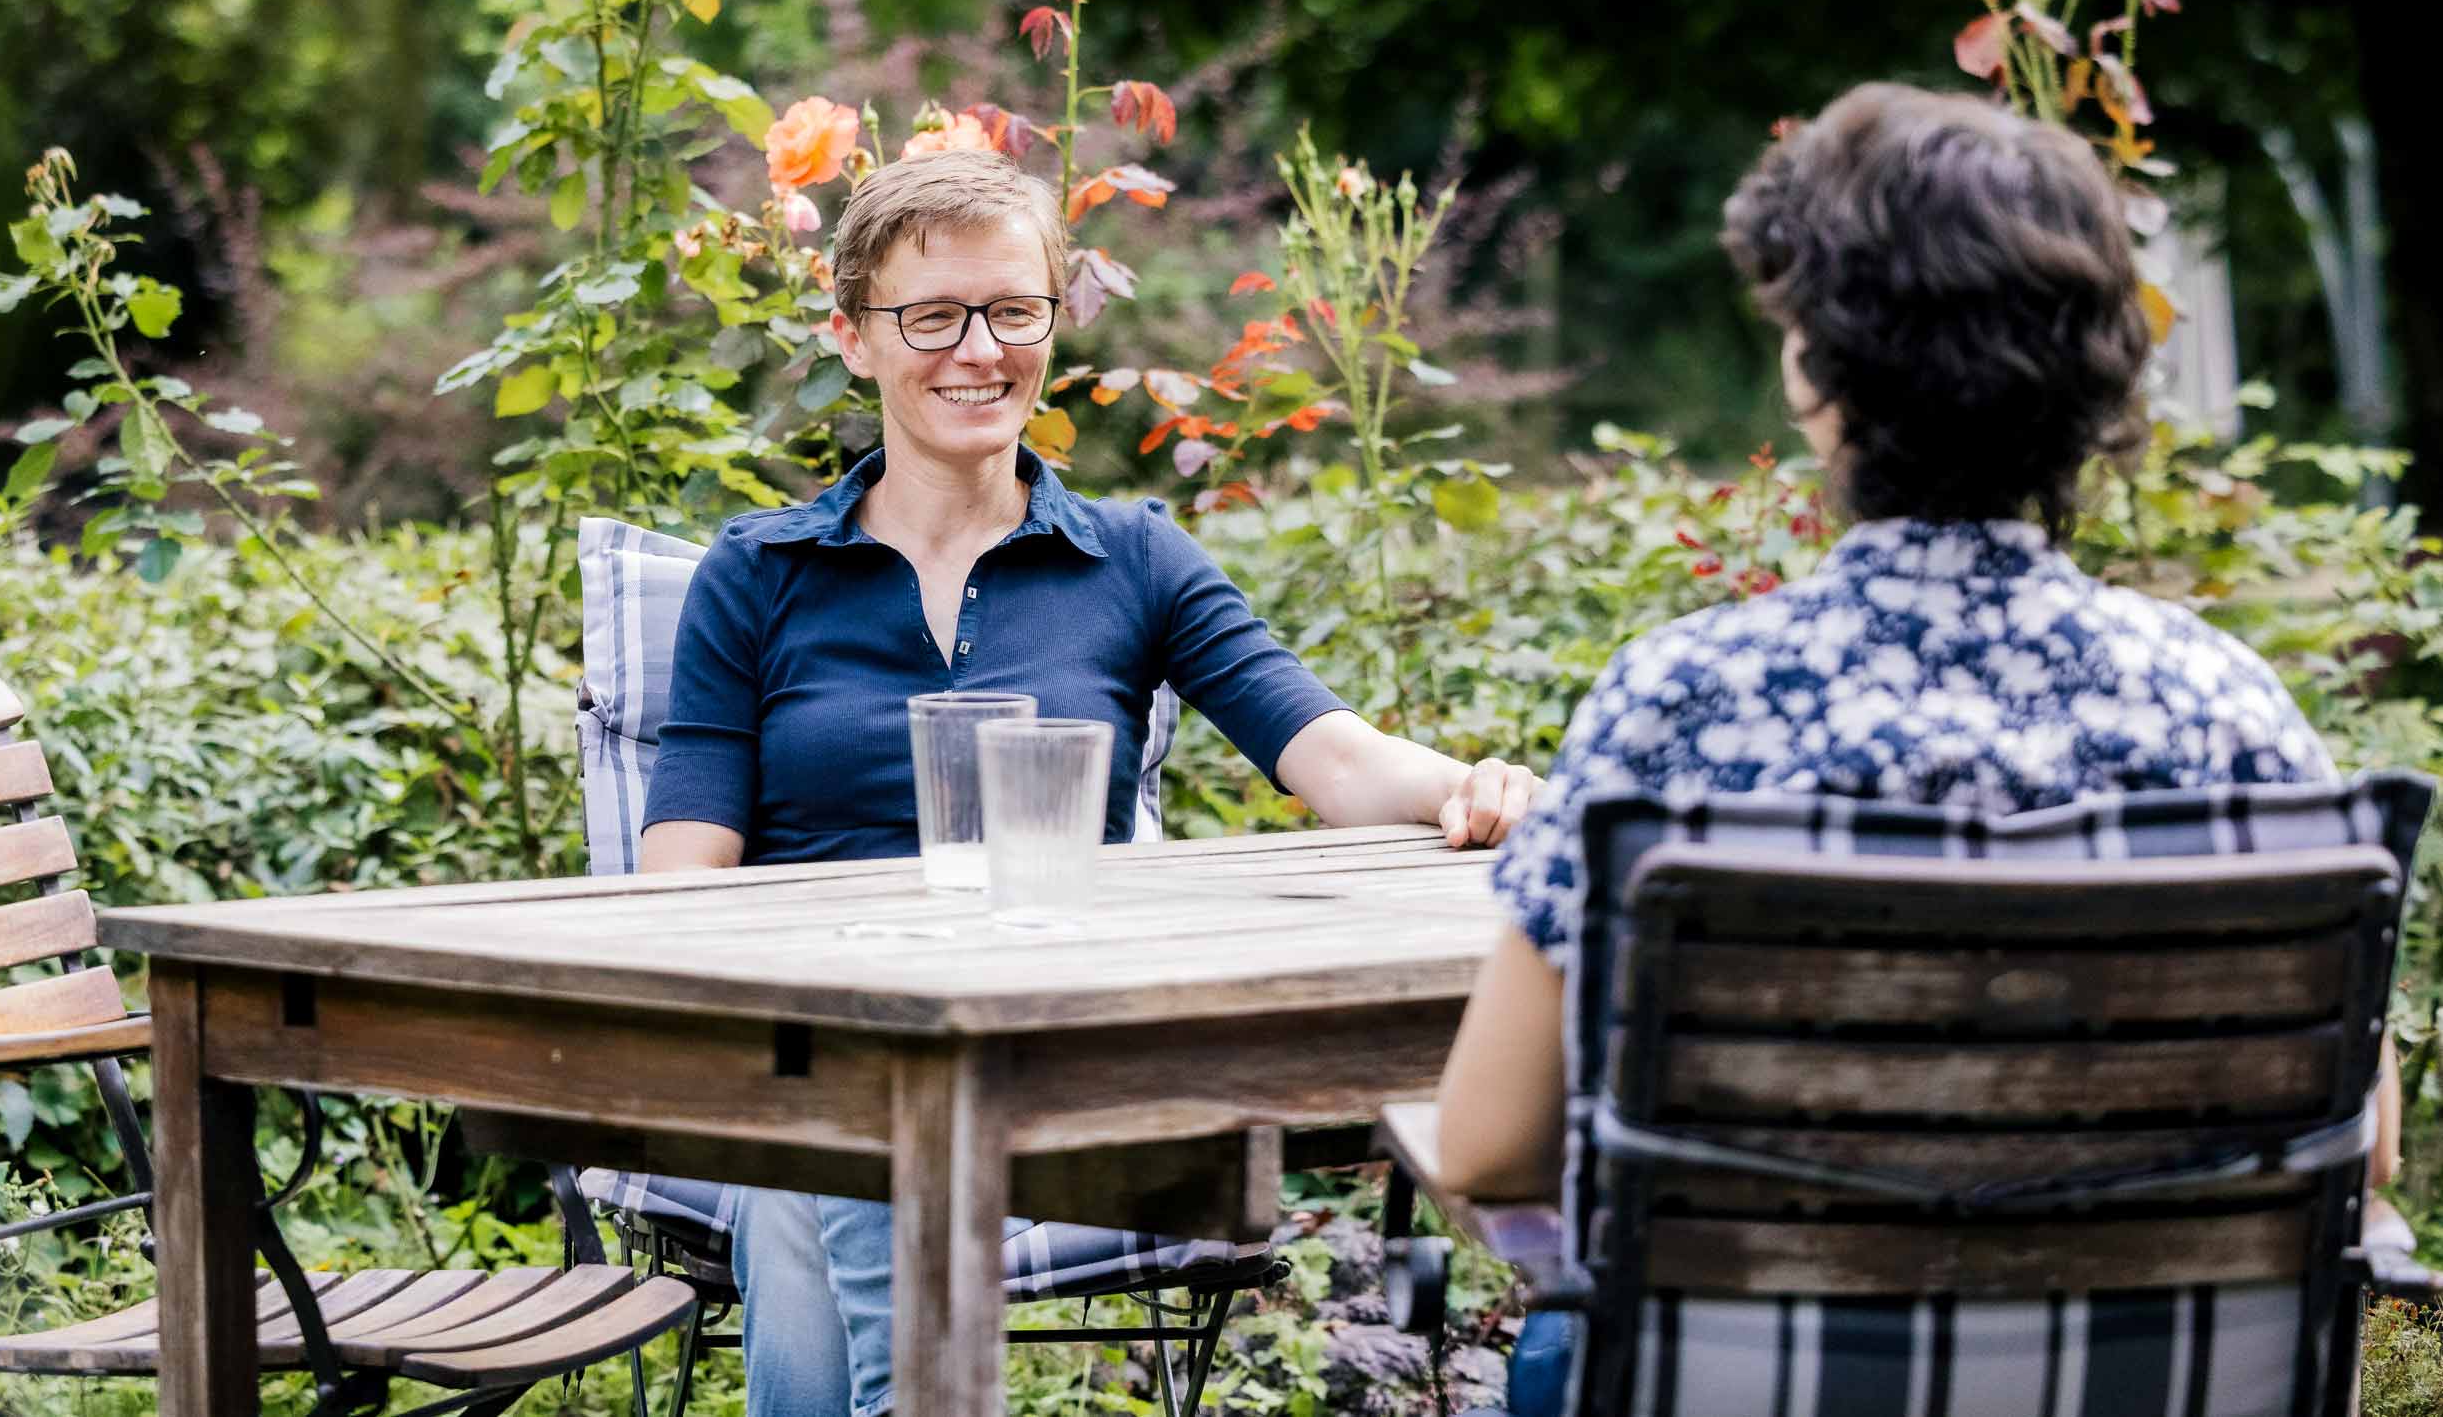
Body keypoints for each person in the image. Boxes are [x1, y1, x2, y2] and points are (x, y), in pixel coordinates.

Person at [1433, 82, 2399, 1415]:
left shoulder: (1681, 709)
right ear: (2099, 382)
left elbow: (1489, 1144)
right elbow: (2372, 1143)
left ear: (1819, 379)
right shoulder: (2228, 711)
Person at [638, 146, 1540, 1417]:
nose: (978, 349)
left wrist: (1485, 782)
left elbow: (1330, 753)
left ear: (1051, 322)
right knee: (837, 1147)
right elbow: (681, 865)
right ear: (853, 338)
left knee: (836, 1167)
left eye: (1014, 310)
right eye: (932, 315)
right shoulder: (759, 571)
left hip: (1051, 1058)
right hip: (808, 1046)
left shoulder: (1134, 559)